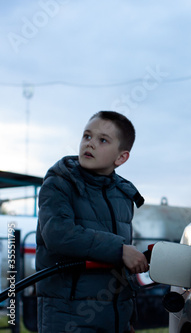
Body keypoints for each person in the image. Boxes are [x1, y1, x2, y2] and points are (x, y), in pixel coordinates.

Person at [36, 111, 148, 333]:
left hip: (116, 320)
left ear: (121, 157)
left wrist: (128, 320)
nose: (90, 144)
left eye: (102, 140)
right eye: (87, 136)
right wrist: (119, 249)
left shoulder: (124, 195)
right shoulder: (59, 183)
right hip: (68, 318)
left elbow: (120, 267)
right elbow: (59, 234)